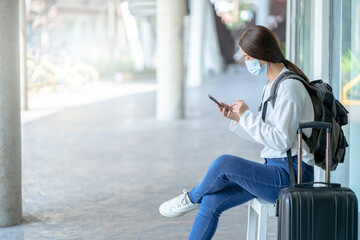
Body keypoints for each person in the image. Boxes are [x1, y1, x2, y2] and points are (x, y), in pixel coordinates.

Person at [158, 25, 315, 240]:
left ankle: (192, 197)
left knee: (224, 163)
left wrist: (248, 117)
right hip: (275, 169)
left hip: (292, 176)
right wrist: (239, 119)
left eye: (248, 57)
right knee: (212, 202)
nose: (246, 62)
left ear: (262, 54)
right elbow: (266, 137)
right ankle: (197, 198)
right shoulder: (272, 85)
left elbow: (281, 140)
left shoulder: (289, 88)